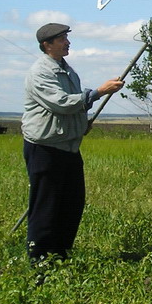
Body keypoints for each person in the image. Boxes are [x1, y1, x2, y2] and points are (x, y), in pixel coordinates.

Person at [21, 23, 124, 266]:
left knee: (71, 204)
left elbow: (74, 108)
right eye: (61, 39)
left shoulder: (68, 71)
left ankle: (60, 255)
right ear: (47, 45)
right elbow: (63, 103)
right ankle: (39, 261)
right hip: (45, 149)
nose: (67, 42)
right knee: (46, 207)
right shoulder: (40, 73)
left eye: (66, 38)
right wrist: (100, 91)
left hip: (68, 147)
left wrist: (81, 124)